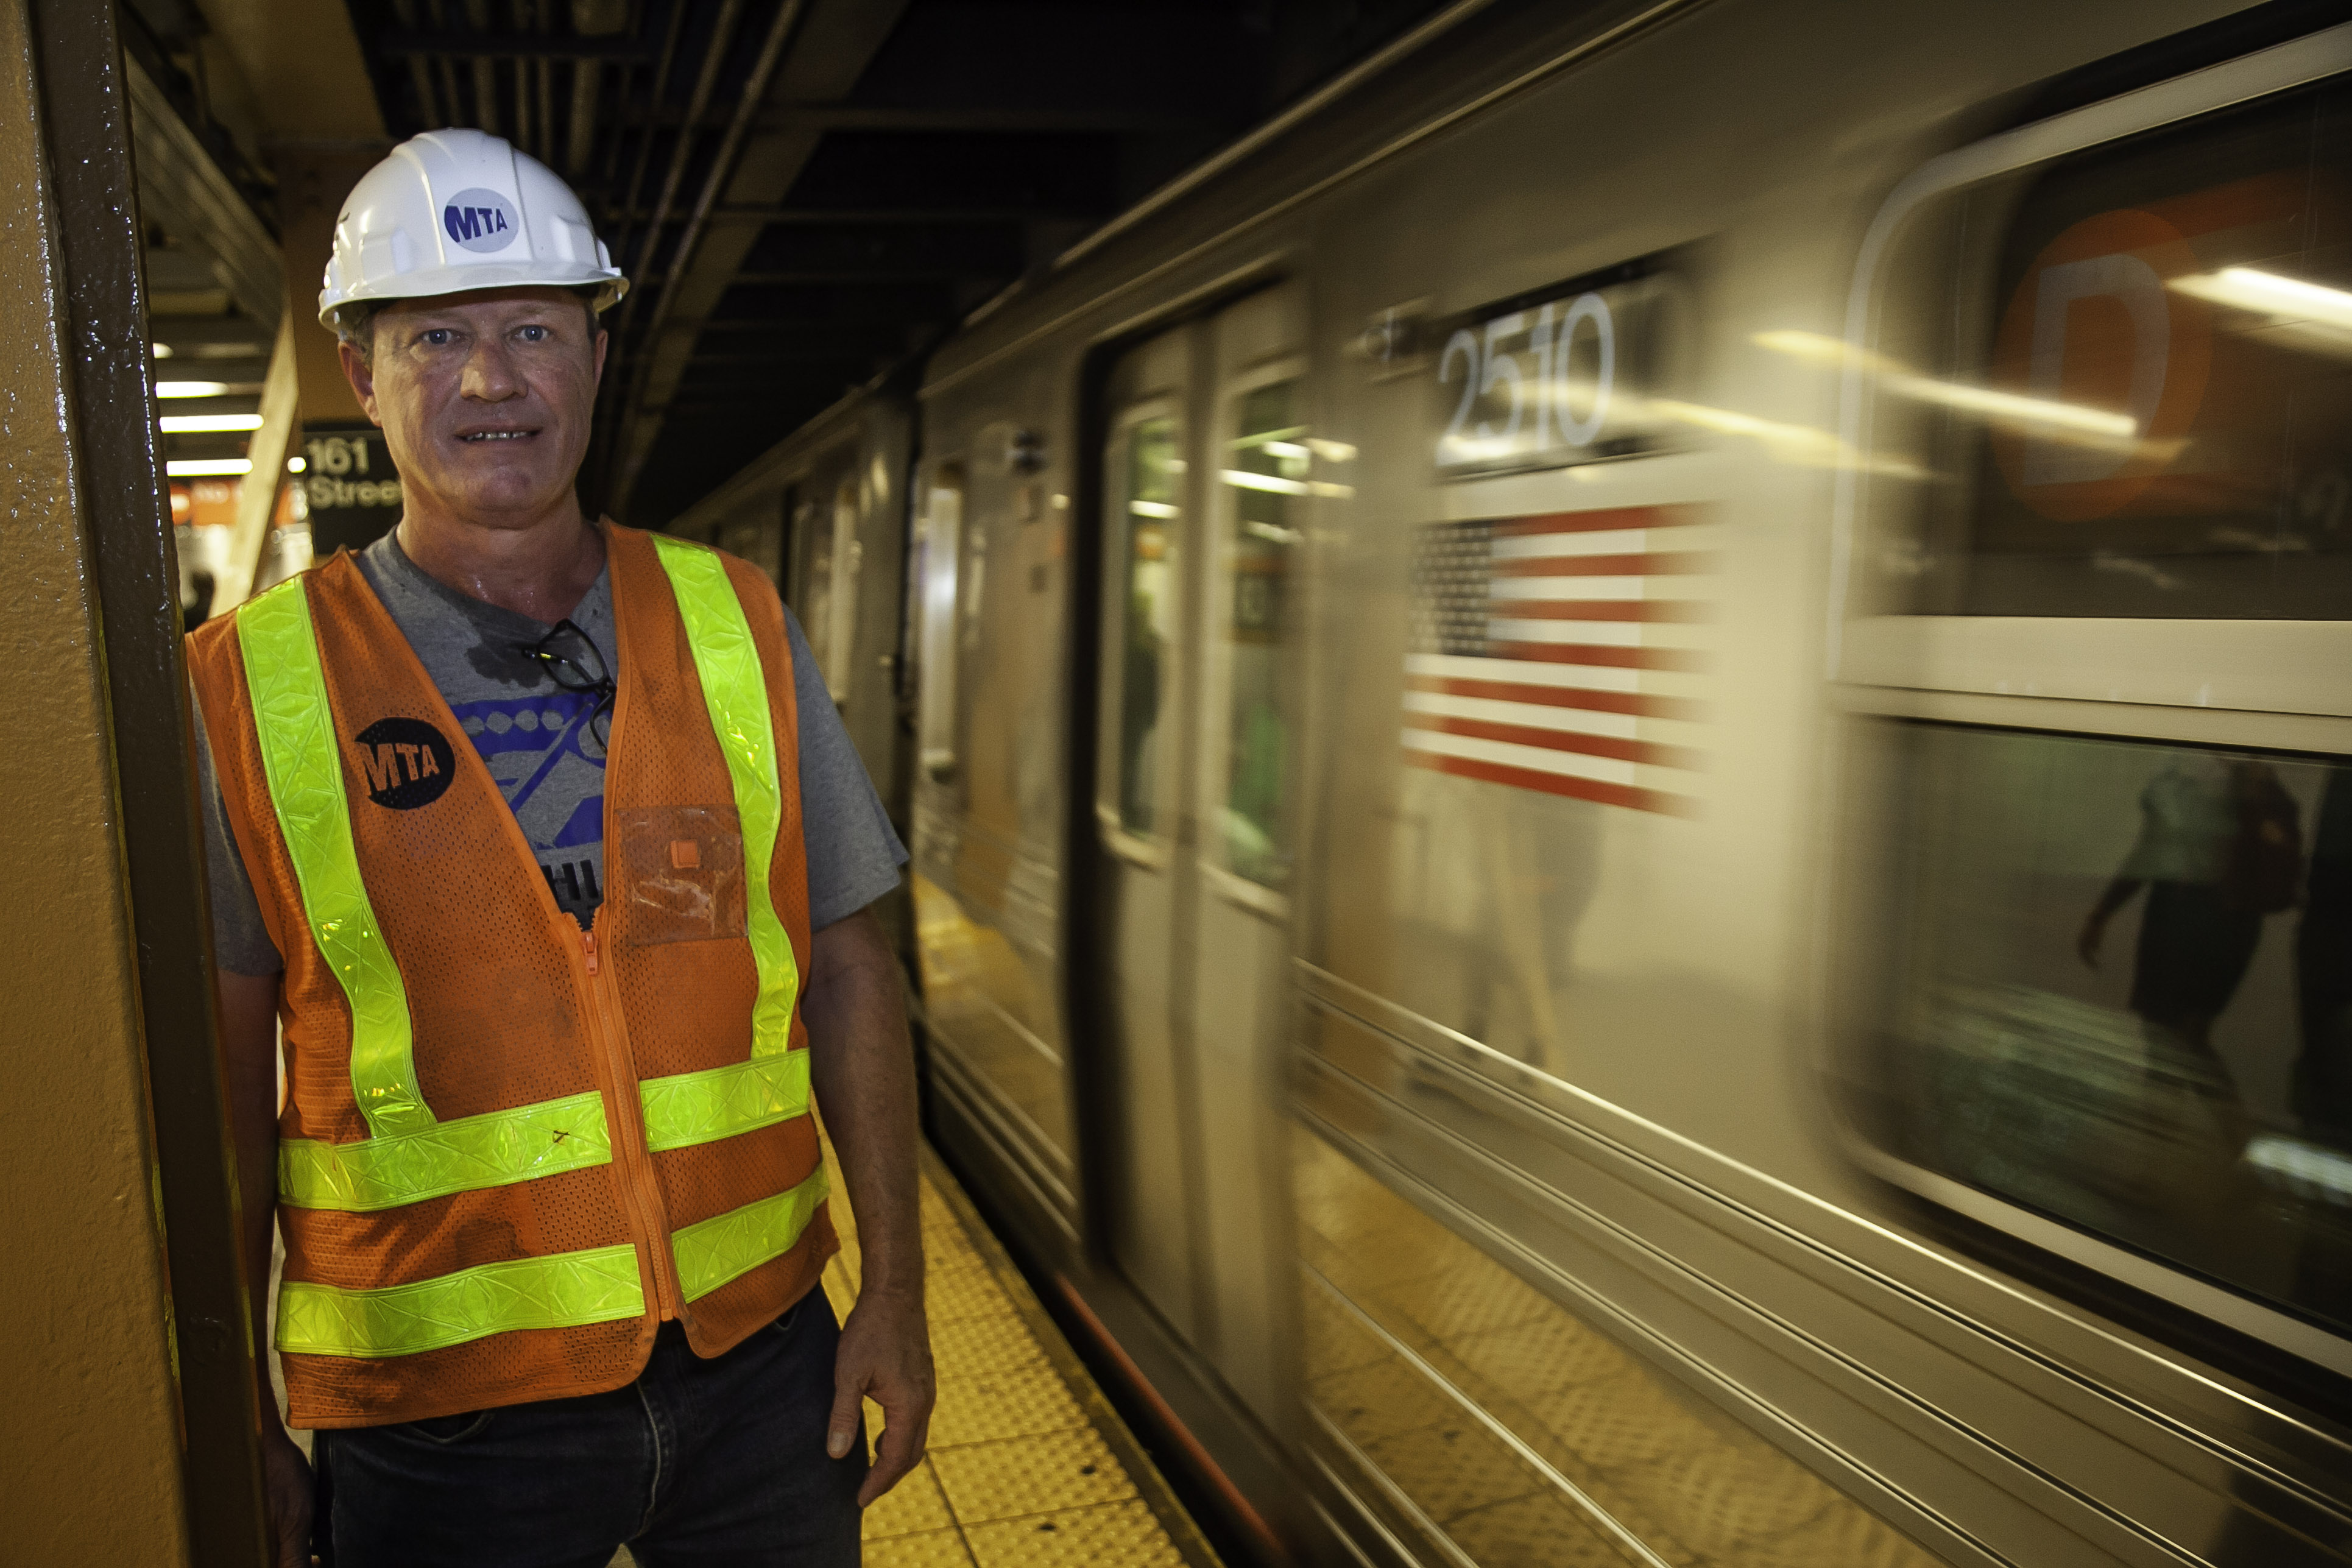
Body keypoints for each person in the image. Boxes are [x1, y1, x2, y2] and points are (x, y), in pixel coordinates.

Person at [183, 129, 933, 1567]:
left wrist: (890, 1295)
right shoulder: (244, 690)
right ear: (361, 373)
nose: (489, 380)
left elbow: (846, 971)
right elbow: (217, 1074)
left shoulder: (737, 623)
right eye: (435, 338)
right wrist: (233, 1407)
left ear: (595, 355)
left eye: (534, 328)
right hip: (435, 1425)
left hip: (765, 1375)